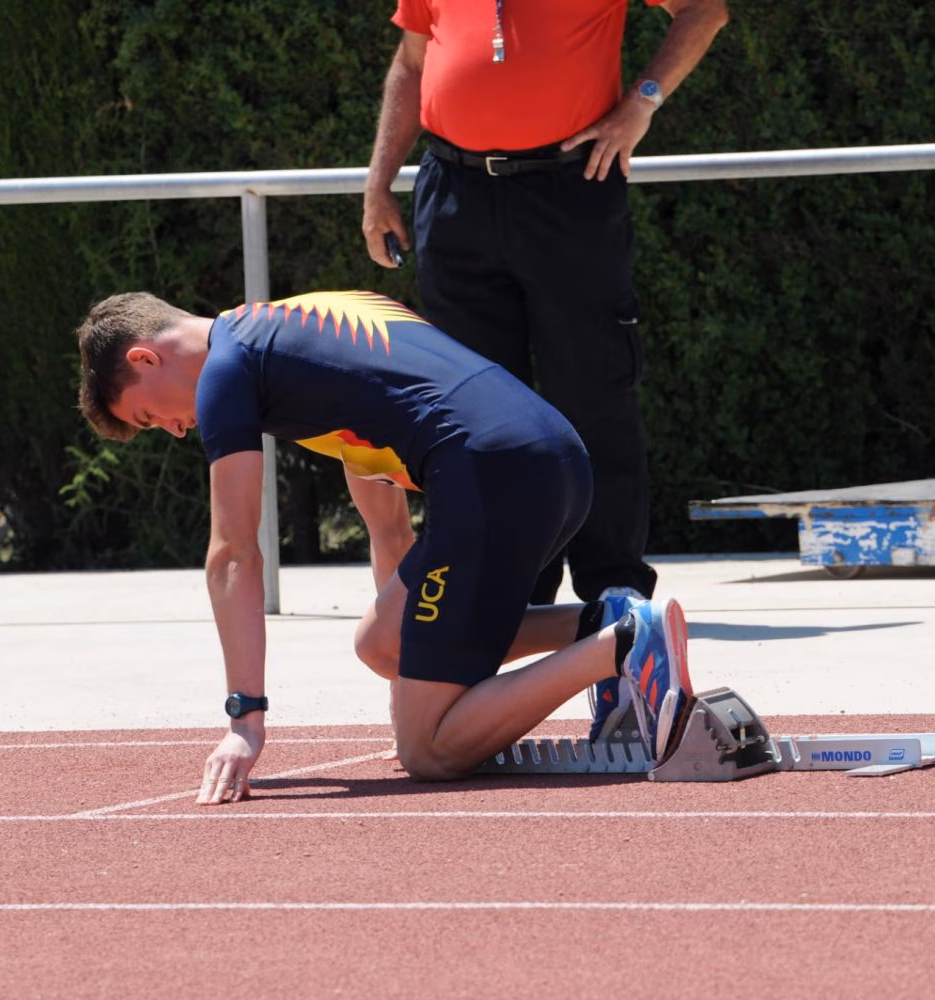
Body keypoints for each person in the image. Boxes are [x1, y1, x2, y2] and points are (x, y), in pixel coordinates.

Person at [75, 289, 695, 805]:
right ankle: (600, 619)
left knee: (429, 751)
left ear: (146, 358)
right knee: (381, 643)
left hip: (494, 478)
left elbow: (233, 552)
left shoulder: (227, 372)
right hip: (559, 458)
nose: (178, 430)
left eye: (151, 418)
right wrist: (414, 676)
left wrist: (246, 721)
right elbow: (391, 533)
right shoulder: (312, 326)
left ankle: (622, 645)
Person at [361, 0, 731, 613]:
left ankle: (613, 591)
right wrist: (378, 184)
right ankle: (505, 587)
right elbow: (411, 62)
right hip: (454, 194)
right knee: (474, 409)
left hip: (569, 188)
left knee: (593, 391)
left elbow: (703, 10)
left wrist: (640, 104)